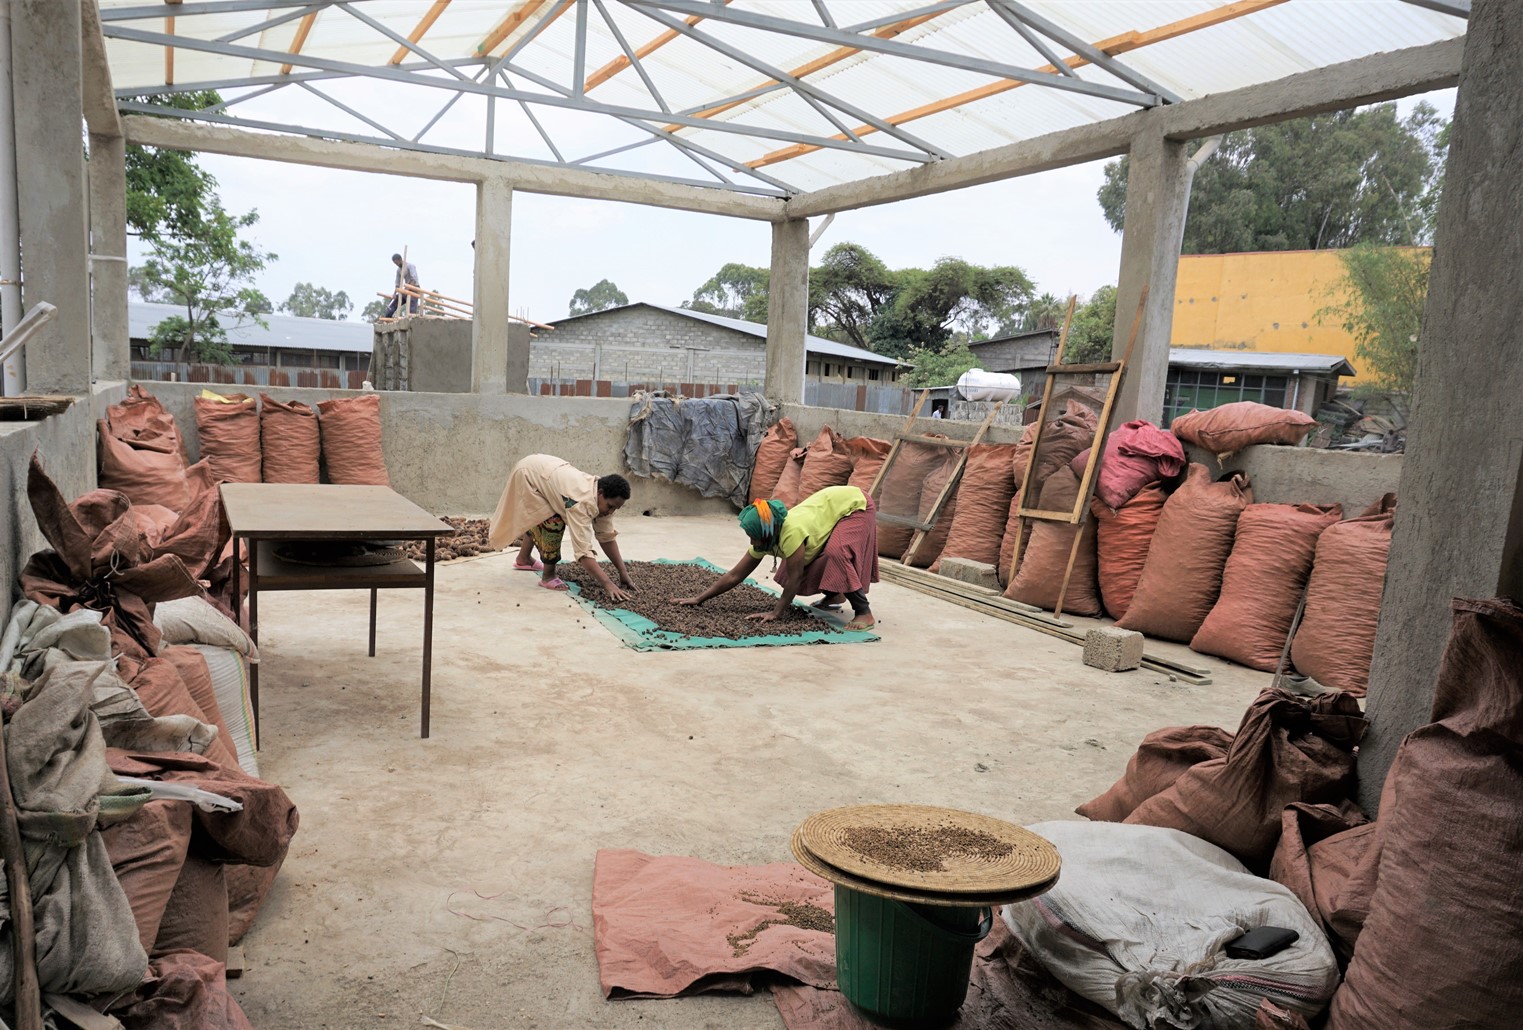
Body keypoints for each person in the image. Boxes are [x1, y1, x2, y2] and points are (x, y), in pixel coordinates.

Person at [673, 484, 879, 631]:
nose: (752, 543)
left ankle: (864, 612)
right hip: (831, 506)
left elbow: (796, 577)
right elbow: (736, 575)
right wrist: (699, 599)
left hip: (855, 505)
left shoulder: (791, 532)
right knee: (810, 554)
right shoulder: (768, 532)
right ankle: (835, 595)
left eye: (754, 538)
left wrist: (776, 613)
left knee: (836, 552)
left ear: (767, 532)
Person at [487, 454, 638, 599]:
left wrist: (623, 572)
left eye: (615, 509)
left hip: (546, 469)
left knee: (546, 513)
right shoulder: (580, 503)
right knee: (552, 519)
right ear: (600, 493)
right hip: (528, 474)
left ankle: (523, 559)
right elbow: (583, 554)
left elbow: (606, 537)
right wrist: (607, 584)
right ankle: (548, 576)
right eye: (610, 506)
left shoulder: (604, 502)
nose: (610, 512)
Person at [385, 253, 420, 317]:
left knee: (411, 305)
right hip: (406, 289)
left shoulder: (410, 266)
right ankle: (387, 317)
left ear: (400, 260)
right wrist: (395, 294)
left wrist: (407, 289)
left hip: (414, 288)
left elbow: (414, 279)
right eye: (395, 264)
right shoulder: (399, 270)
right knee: (395, 302)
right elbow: (397, 284)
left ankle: (411, 319)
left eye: (396, 263)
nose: (396, 265)